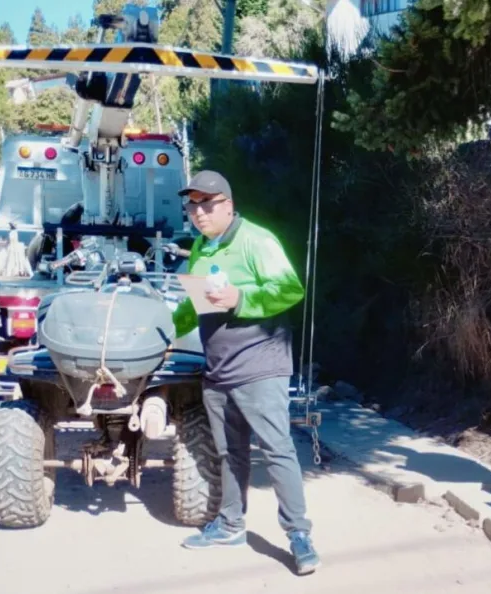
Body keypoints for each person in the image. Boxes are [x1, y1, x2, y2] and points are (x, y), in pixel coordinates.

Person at [171, 170, 321, 575]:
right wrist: (165, 331)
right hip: (218, 371)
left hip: (260, 365)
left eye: (208, 203)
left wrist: (241, 297)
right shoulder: (201, 249)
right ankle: (231, 524)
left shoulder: (256, 239)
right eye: (193, 205)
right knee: (229, 452)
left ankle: (299, 535)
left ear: (229, 206)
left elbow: (290, 288)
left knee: (277, 450)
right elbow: (192, 307)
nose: (199, 212)